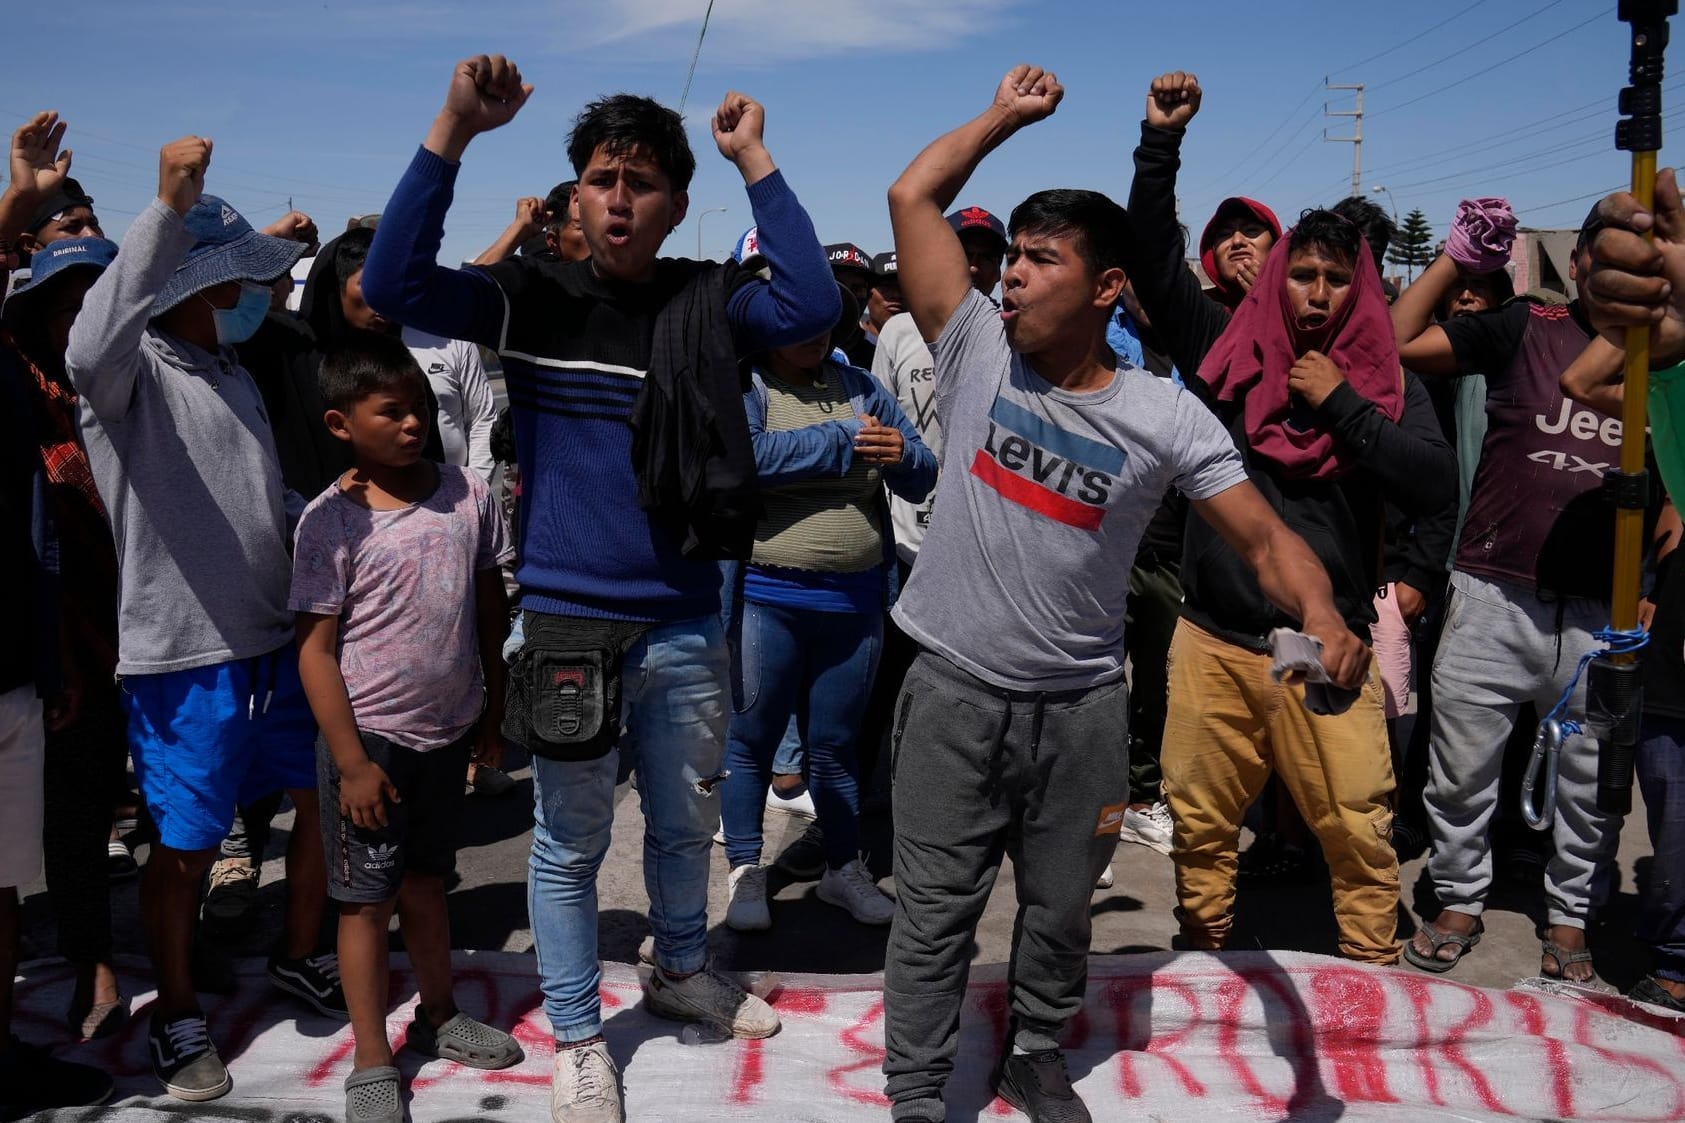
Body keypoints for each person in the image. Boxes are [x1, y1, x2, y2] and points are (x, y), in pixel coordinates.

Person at [882, 65, 1371, 1123]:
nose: (1008, 277)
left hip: (1084, 713)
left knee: (1058, 912)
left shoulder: (1165, 415)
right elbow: (909, 199)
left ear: (1106, 288)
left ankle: (1033, 1056)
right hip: (953, 697)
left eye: (1039, 260)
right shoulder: (969, 346)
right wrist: (1004, 118)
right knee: (932, 916)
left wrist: (1324, 616)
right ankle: (916, 1094)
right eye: (1007, 257)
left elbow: (1267, 539)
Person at [360, 54, 839, 1123]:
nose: (618, 200)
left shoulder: (704, 300)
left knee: (680, 824)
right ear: (574, 194)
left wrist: (753, 155)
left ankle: (678, 968)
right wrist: (452, 127)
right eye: (600, 179)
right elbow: (390, 285)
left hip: (681, 616)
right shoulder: (529, 300)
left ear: (675, 203)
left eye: (641, 183)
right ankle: (579, 1034)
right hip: (569, 622)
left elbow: (814, 298)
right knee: (568, 843)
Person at [1125, 72, 1453, 968]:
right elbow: (1151, 254)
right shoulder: (1225, 353)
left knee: (1355, 821)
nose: (1314, 292)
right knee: (1197, 825)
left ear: (1360, 288)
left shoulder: (1386, 380)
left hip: (1325, 645)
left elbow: (1431, 483)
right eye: (1300, 273)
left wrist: (1343, 404)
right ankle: (1201, 954)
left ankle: (1371, 973)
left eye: (1334, 279)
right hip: (1211, 635)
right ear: (1277, 276)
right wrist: (1160, 144)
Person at [64, 136, 340, 1100]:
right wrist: (165, 211)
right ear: (183, 282)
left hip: (276, 643)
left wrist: (323, 510)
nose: (248, 300)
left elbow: (251, 502)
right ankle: (176, 1012)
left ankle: (300, 953)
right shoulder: (124, 377)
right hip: (187, 659)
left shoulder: (232, 372)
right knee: (184, 849)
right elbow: (87, 340)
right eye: (233, 285)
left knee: (320, 808)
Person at [1393, 211, 1628, 982]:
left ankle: (1568, 916)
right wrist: (1450, 260)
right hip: (1491, 590)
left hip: (1603, 610)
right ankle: (1458, 897)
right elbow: (1397, 342)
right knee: (1460, 771)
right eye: (1607, 247)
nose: (1622, 264)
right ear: (1580, 255)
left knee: (1589, 782)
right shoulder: (1526, 325)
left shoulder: (1665, 350)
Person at [292, 334, 521, 1123]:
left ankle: (436, 1011)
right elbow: (316, 652)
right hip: (373, 742)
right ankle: (370, 1058)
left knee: (426, 882)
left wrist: (491, 712)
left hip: (447, 731)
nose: (412, 423)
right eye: (390, 411)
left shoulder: (467, 493)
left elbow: (490, 611)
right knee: (363, 901)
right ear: (339, 423)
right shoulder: (329, 522)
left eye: (418, 407)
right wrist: (351, 762)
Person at [720, 284, 936, 931]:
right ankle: (745, 870)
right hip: (768, 598)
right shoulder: (749, 385)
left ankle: (843, 870)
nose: (818, 338)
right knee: (752, 740)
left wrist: (901, 454)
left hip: (855, 601)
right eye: (803, 324)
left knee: (835, 747)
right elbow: (746, 462)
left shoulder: (862, 386)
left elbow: (922, 471)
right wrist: (842, 441)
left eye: (827, 326)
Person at [0, 113, 130, 1042]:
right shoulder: (15, 387)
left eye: (99, 294)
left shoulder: (139, 388)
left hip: (140, 635)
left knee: (120, 809)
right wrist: (20, 198)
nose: (80, 313)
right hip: (51, 644)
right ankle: (81, 959)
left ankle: (127, 946)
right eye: (62, 299)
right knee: (46, 830)